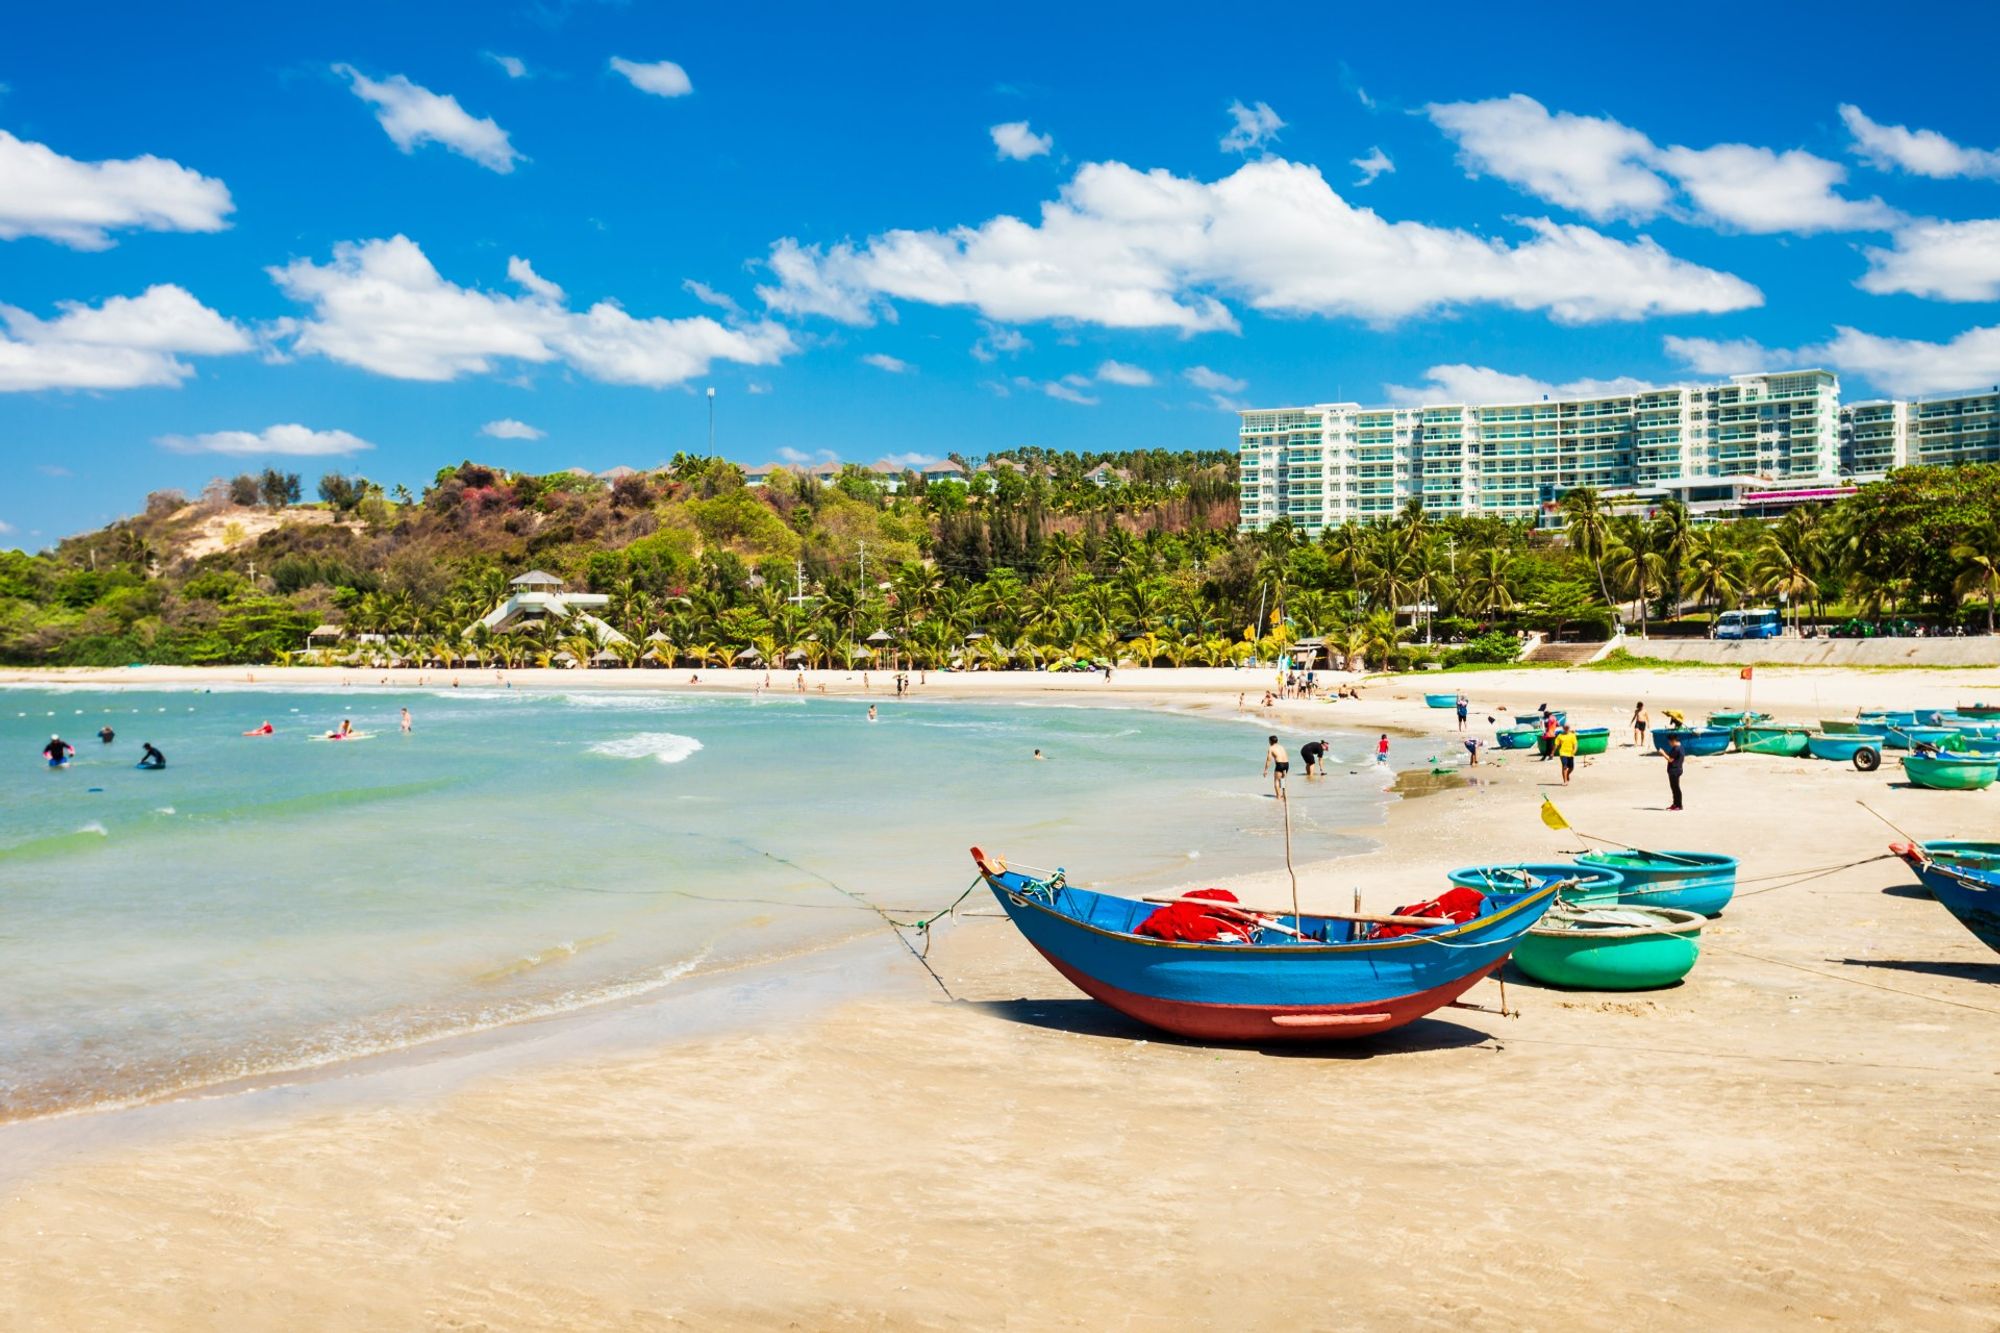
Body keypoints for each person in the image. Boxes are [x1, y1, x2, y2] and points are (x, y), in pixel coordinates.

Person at [1663, 734, 1686, 811]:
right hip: (1677, 769)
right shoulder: (1680, 747)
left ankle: (1679, 805)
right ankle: (1675, 804)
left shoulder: (1676, 749)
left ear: (1673, 741)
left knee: (1676, 788)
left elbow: (1670, 759)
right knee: (1674, 788)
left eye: (1669, 742)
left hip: (1675, 770)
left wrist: (1662, 753)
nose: (1669, 743)